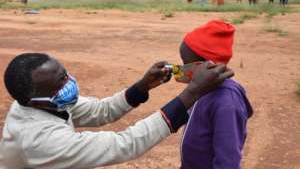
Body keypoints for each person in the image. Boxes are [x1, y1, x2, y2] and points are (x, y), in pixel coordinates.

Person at [0, 53, 233, 169]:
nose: (69, 82)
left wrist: (141, 87)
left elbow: (101, 110)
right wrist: (192, 93)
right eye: (61, 82)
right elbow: (123, 144)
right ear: (36, 100)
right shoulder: (38, 140)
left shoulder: (47, 102)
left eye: (65, 74)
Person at [180, 20, 253, 169]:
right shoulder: (202, 88)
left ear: (210, 67)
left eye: (186, 64)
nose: (182, 68)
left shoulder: (227, 102)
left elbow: (228, 160)